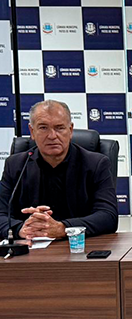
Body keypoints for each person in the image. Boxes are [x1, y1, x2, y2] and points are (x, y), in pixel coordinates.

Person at [0, 100, 118, 239]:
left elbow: (108, 216)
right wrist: (21, 229)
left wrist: (63, 228)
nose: (52, 136)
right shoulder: (16, 165)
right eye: (43, 128)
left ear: (70, 130)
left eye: (59, 128)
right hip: (31, 246)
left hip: (79, 246)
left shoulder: (95, 164)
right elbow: (1, 214)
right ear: (32, 131)